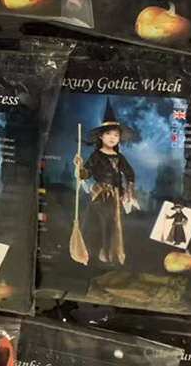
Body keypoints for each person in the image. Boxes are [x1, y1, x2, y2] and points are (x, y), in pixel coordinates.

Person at [72, 99, 137, 265]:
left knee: (113, 224)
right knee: (101, 223)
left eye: (116, 135)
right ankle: (98, 252)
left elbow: (130, 174)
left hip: (116, 196)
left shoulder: (119, 157)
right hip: (100, 195)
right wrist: (80, 166)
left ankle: (108, 252)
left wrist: (128, 192)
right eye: (109, 134)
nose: (113, 137)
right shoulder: (96, 156)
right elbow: (86, 174)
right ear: (101, 136)